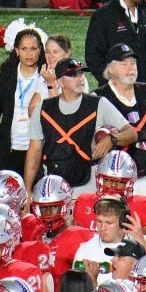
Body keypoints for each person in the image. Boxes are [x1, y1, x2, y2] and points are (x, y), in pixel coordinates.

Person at [95, 43, 146, 197]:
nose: (131, 67)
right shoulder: (98, 98)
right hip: (116, 183)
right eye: (124, 64)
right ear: (110, 69)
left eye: (133, 63)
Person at [25, 57, 97, 191]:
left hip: (88, 186)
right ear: (60, 82)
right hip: (54, 187)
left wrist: (111, 138)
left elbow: (127, 131)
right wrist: (28, 190)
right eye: (73, 75)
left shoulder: (98, 104)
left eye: (81, 74)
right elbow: (34, 152)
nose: (80, 78)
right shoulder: (42, 108)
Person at [0, 27, 47, 174]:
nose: (29, 53)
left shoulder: (46, 78)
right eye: (24, 48)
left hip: (38, 150)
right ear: (17, 51)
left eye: (33, 48)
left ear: (40, 50)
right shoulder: (5, 79)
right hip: (9, 152)